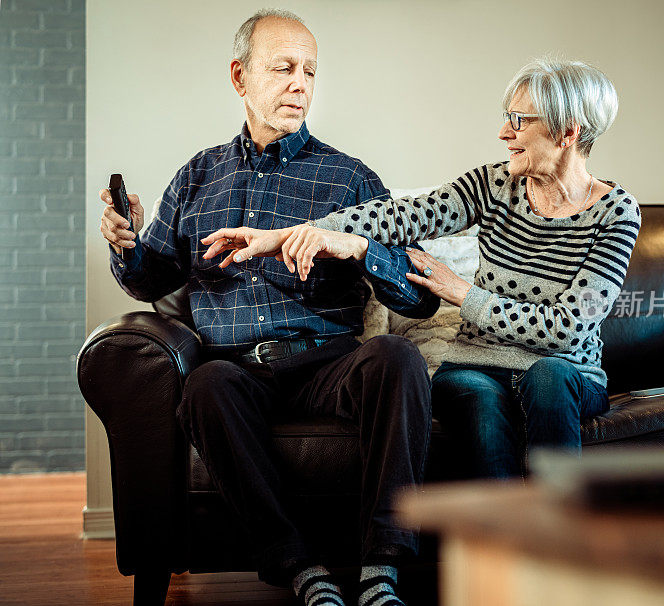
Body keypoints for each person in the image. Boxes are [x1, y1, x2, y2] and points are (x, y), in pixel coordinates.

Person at [99, 9, 437, 606]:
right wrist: (126, 243)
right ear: (240, 77)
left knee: (398, 358)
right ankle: (302, 567)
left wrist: (358, 249)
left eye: (310, 71)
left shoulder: (349, 179)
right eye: (284, 68)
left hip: (326, 363)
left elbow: (416, 296)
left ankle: (382, 566)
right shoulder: (197, 178)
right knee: (203, 387)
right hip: (236, 368)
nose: (300, 84)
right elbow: (152, 278)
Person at [204, 58, 641, 480]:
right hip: (475, 365)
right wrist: (297, 235)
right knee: (482, 404)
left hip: (567, 372)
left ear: (568, 132)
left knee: (550, 374)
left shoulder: (616, 213)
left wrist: (459, 292)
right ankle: (496, 545)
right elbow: (401, 216)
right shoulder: (494, 184)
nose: (504, 132)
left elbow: (566, 329)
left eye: (519, 120)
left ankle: (559, 542)